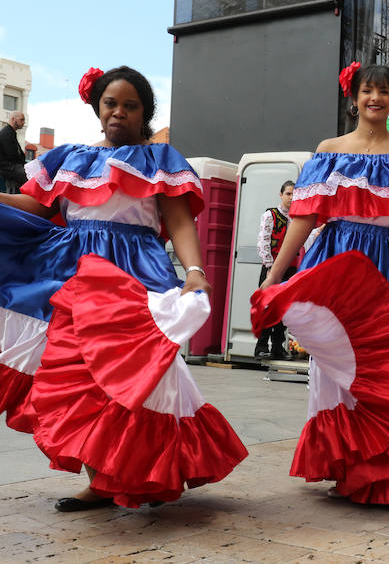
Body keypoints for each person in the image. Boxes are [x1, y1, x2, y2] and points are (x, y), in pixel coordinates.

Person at [0, 66, 247, 512]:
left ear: (144, 113)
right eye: (111, 103)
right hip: (72, 272)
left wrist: (194, 270)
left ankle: (148, 470)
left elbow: (177, 220)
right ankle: (100, 481)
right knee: (79, 376)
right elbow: (35, 206)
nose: (119, 112)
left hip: (134, 273)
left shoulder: (160, 160)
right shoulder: (68, 157)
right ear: (98, 108)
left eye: (130, 106)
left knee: (139, 377)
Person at [255, 63, 389, 505]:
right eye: (367, 90)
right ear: (353, 97)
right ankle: (348, 462)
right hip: (337, 261)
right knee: (339, 361)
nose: (375, 98)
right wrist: (276, 276)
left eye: (384, 91)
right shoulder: (328, 150)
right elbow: (303, 218)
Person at [255, 180, 299, 359]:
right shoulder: (270, 215)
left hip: (290, 269)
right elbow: (263, 241)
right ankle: (261, 347)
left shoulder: (297, 218)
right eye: (288, 193)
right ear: (281, 195)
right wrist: (269, 267)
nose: (291, 197)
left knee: (284, 309)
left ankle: (277, 347)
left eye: (294, 194)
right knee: (267, 307)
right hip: (271, 268)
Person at [0, 111, 27, 194]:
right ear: (13, 119)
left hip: (11, 166)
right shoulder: (6, 133)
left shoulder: (10, 132)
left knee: (30, 171)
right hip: (7, 167)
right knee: (29, 175)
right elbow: (12, 156)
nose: (23, 122)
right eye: (21, 120)